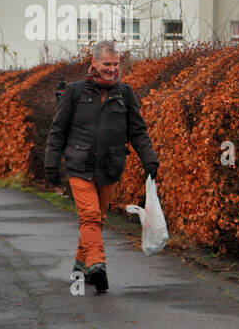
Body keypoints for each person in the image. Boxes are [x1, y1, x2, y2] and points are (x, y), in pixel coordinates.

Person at [44, 40, 159, 293]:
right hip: (79, 165)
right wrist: (51, 164)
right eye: (107, 64)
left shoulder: (125, 94)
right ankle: (97, 266)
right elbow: (57, 132)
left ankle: (79, 265)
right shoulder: (75, 92)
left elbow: (138, 132)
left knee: (98, 219)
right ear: (94, 62)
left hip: (110, 167)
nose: (111, 69)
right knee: (90, 216)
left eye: (116, 64)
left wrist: (149, 159)